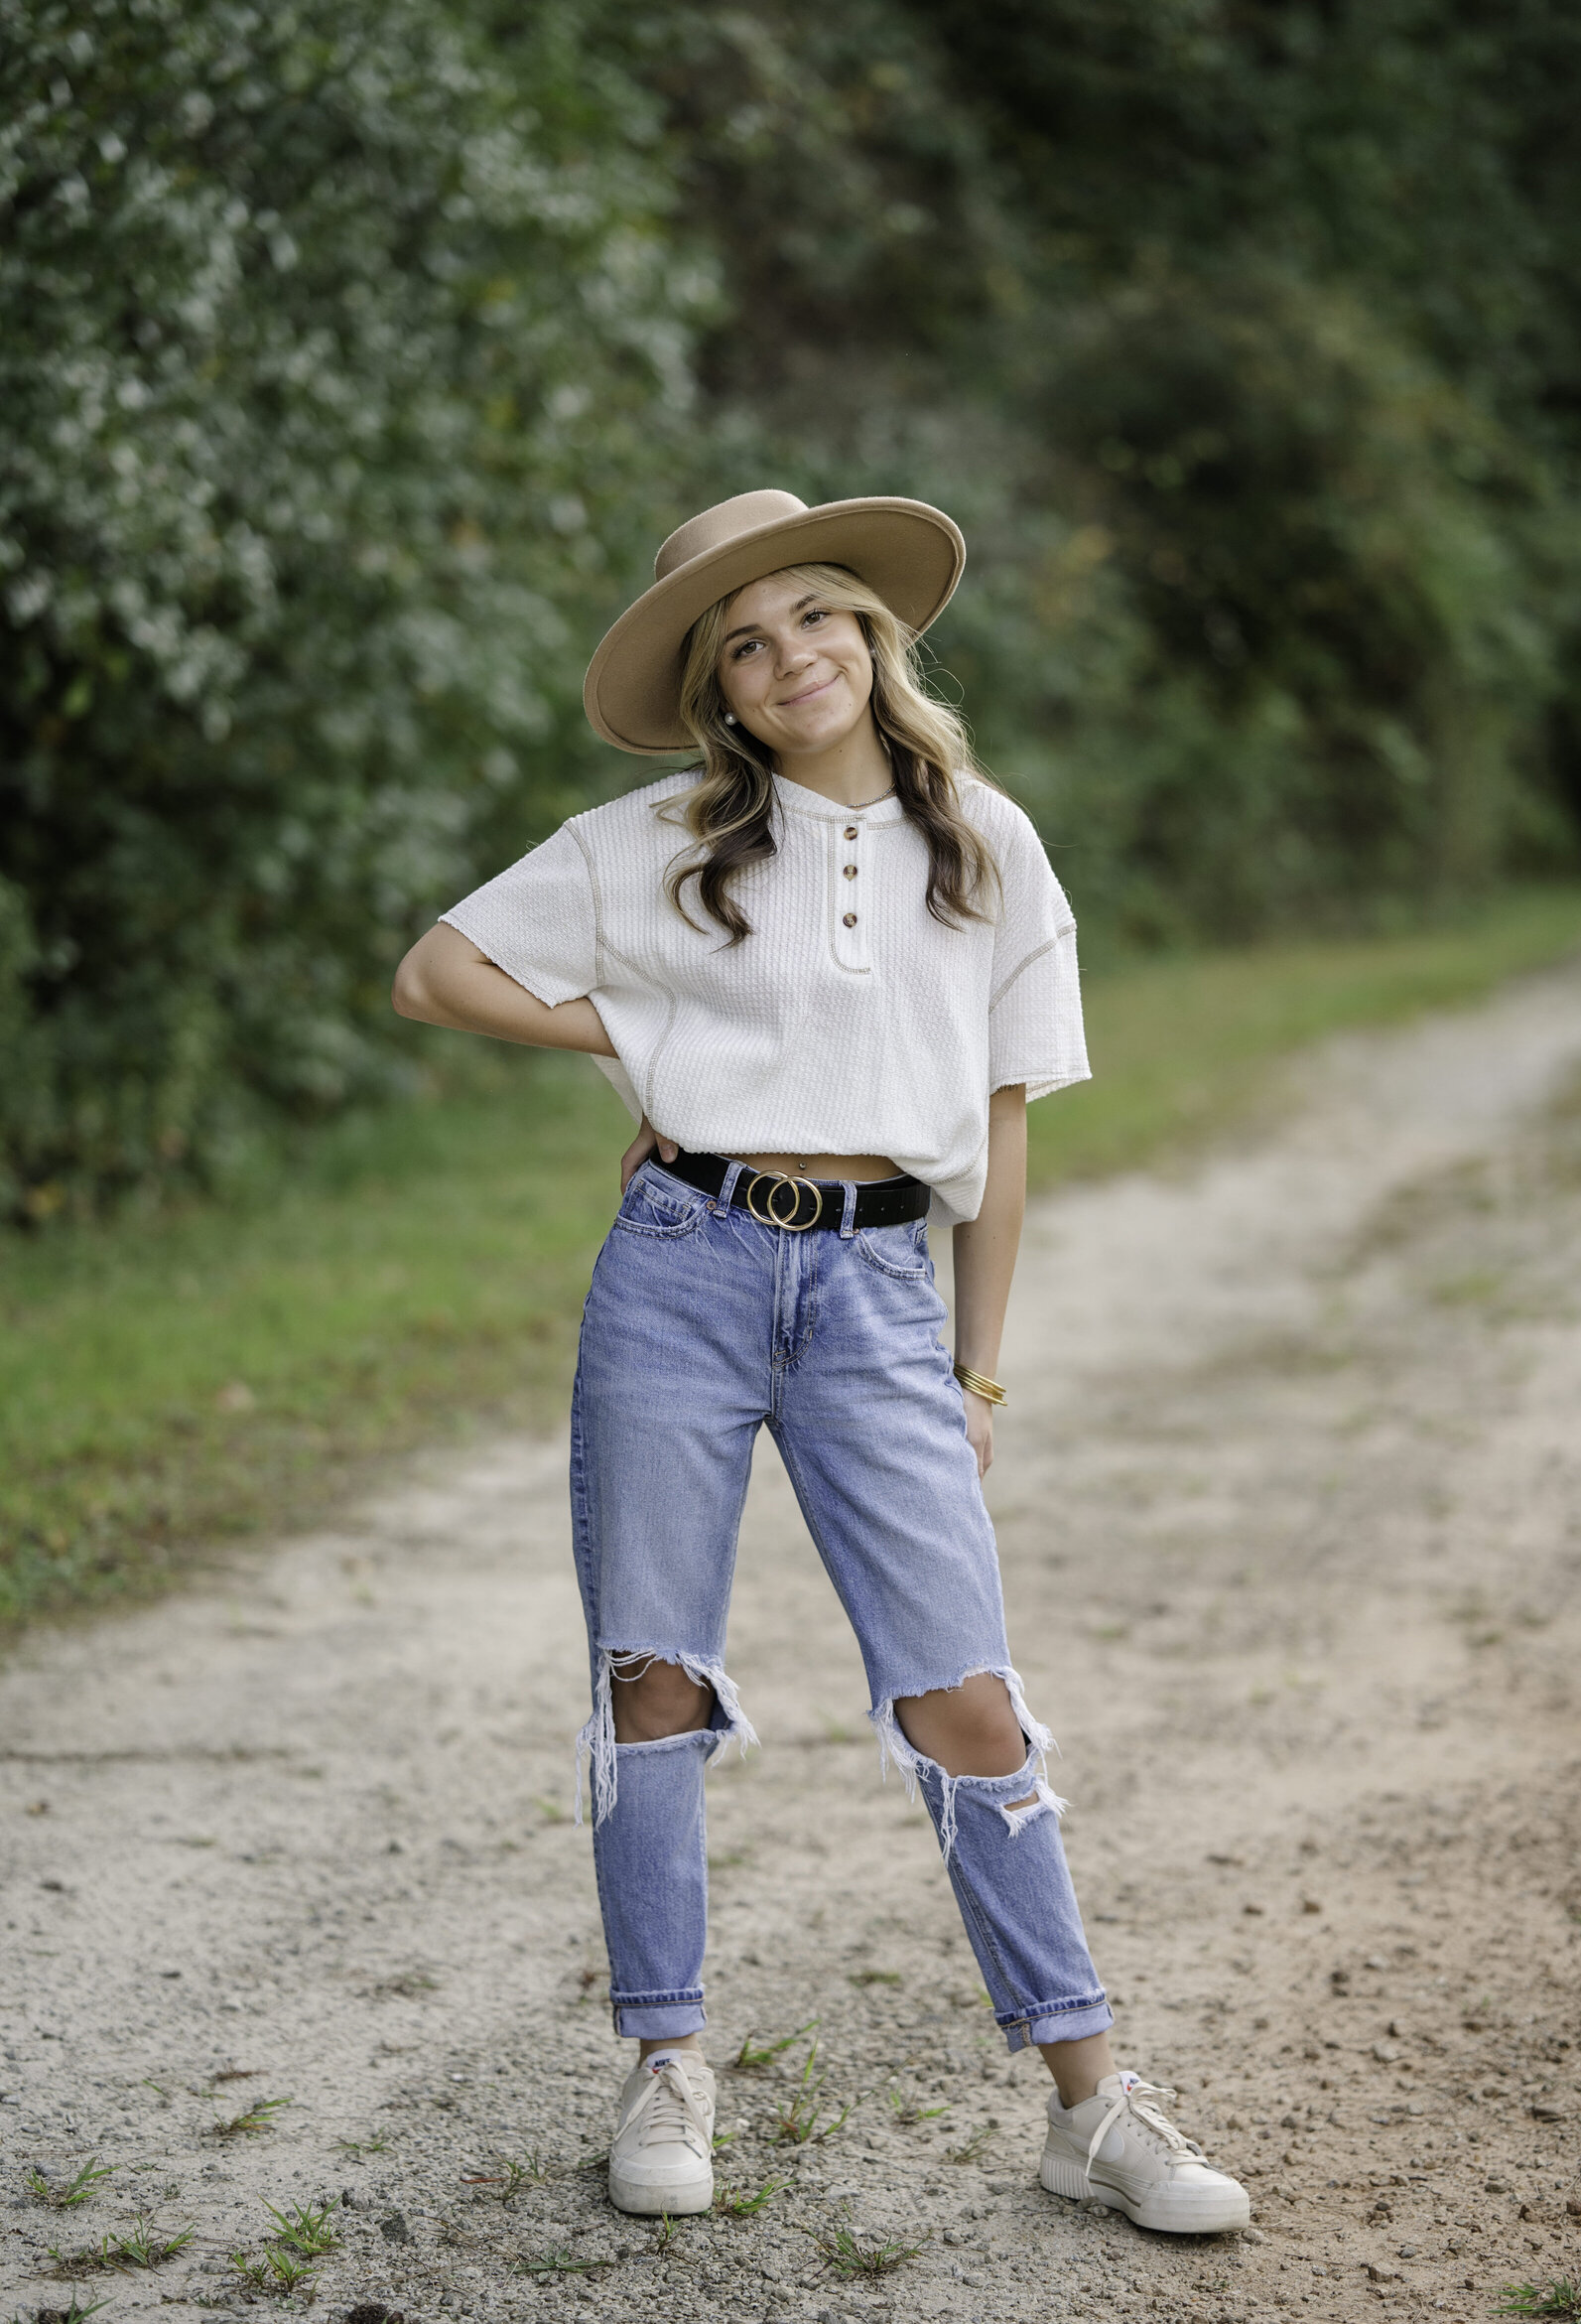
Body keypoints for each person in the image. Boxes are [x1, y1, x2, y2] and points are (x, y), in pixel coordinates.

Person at [393, 487, 1250, 2237]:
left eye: (816, 617)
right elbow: (436, 970)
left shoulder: (988, 846)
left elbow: (999, 1135)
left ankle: (1090, 2102)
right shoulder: (653, 840)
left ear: (876, 632)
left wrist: (980, 1367)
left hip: (878, 1302)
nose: (792, 657)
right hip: (681, 1273)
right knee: (654, 1675)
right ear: (719, 686)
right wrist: (637, 1032)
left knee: (966, 1694)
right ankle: (665, 2063)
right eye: (746, 641)